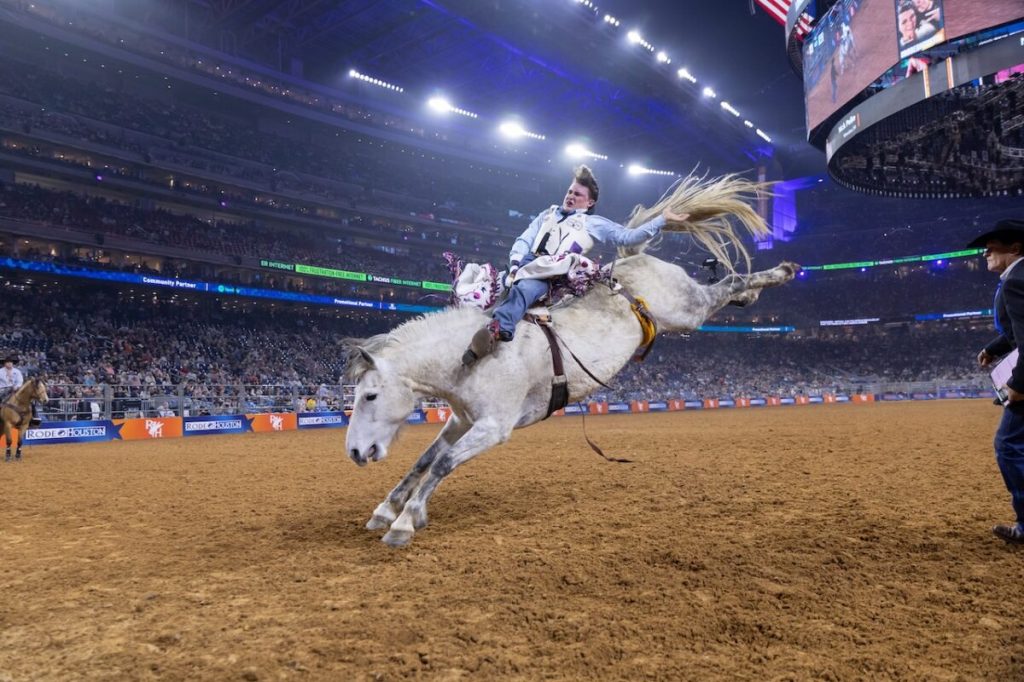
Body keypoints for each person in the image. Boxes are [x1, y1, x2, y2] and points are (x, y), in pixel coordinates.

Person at [462, 165, 686, 365]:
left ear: (589, 203)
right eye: (570, 191)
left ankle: (498, 330)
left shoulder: (593, 223)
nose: (570, 196)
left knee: (524, 290)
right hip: (524, 264)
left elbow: (628, 237)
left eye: (577, 194)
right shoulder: (547, 214)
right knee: (480, 287)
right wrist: (514, 265)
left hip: (550, 274)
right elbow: (525, 239)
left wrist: (662, 220)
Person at [973, 219, 1024, 543]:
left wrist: (1019, 384)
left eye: (992, 248)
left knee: (1008, 445)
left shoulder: (1017, 280)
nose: (985, 254)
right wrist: (995, 348)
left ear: (1015, 249)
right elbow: (1017, 331)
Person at [0, 355, 40, 427]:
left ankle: (35, 416)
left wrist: (17, 386)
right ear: (4, 364)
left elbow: (20, 381)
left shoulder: (17, 372)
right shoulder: (0, 372)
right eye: (8, 362)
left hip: (16, 389)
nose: (9, 364)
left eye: (11, 362)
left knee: (28, 400)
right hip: (3, 389)